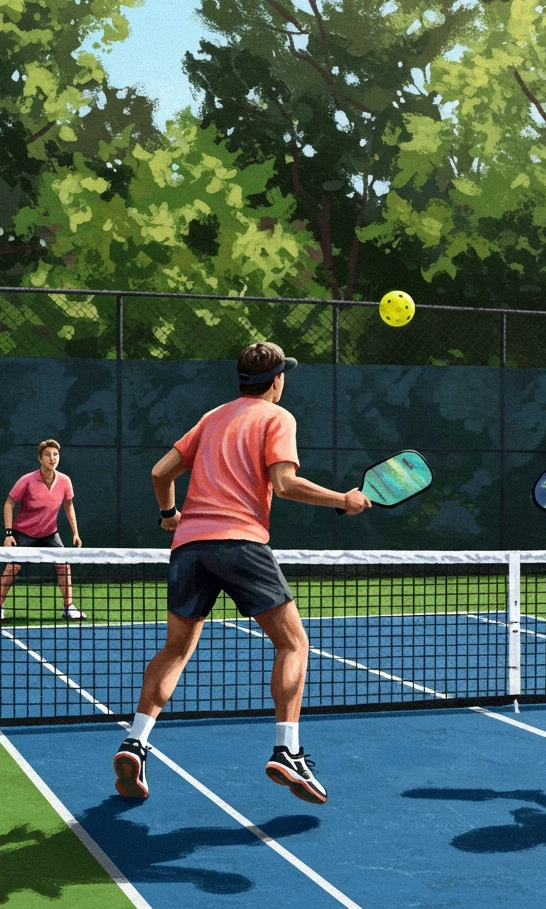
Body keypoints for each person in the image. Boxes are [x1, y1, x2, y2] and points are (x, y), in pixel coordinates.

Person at [113, 342, 371, 803]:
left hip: (189, 546)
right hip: (240, 542)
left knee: (176, 648)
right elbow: (285, 485)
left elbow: (160, 472)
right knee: (293, 643)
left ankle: (136, 741)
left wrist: (169, 513)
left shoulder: (213, 417)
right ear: (276, 380)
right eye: (283, 375)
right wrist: (343, 500)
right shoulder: (278, 417)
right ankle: (287, 750)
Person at [0, 439, 85, 621]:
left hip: (50, 533)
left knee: (63, 566)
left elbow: (69, 505)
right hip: (24, 533)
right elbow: (9, 504)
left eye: (55, 454)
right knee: (12, 567)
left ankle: (68, 607)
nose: (52, 458)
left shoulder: (65, 481)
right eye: (48, 455)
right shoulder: (27, 480)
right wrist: (9, 534)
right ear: (40, 459)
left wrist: (75, 533)